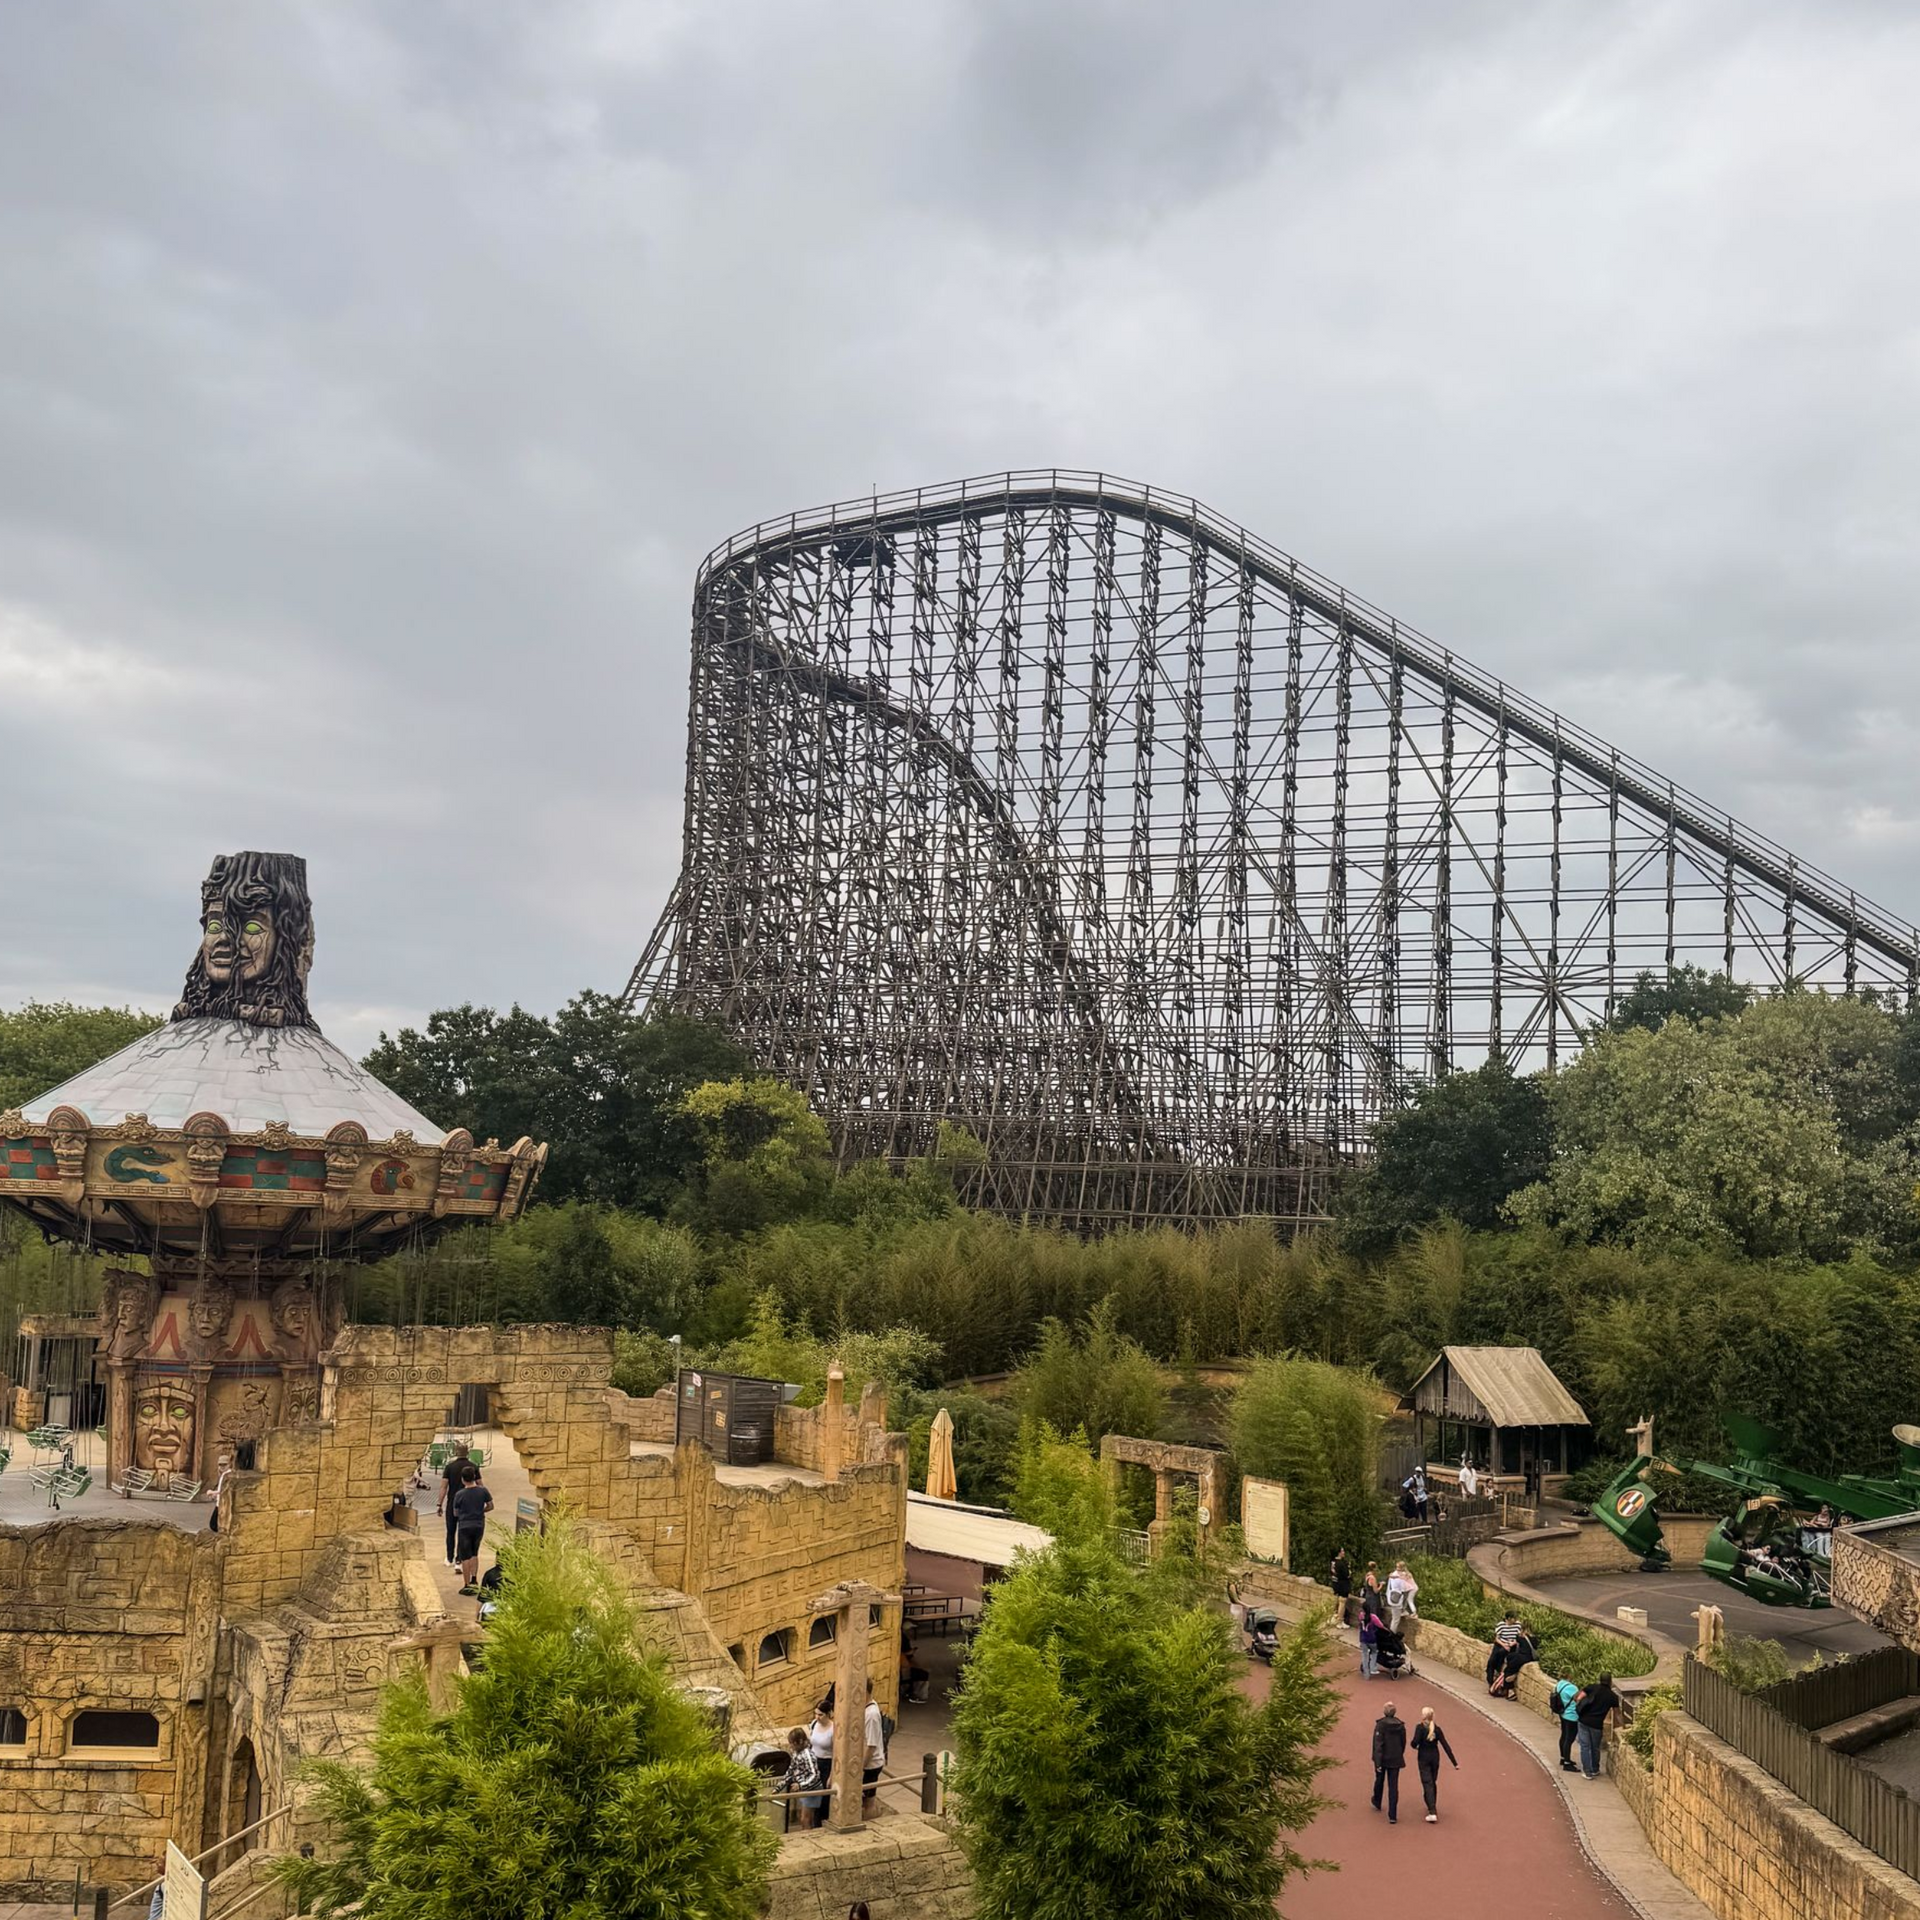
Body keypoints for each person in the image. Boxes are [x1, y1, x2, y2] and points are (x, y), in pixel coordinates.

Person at [450, 1462, 493, 1596]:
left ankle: (467, 1584)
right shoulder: (483, 1490)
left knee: (465, 1556)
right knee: (475, 1552)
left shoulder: (459, 1494)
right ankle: (475, 1579)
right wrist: (480, 1511)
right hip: (479, 1524)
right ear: (474, 1477)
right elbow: (490, 1506)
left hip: (464, 1525)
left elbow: (455, 1513)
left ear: (463, 1479)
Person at [1410, 1706, 1458, 1822]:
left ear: (1423, 1716)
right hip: (1435, 1758)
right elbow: (1445, 1746)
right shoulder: (1437, 1729)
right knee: (1432, 1781)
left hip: (1423, 1758)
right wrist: (1454, 1762)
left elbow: (1414, 1743)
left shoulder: (1420, 1728)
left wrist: (1415, 1745)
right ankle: (1431, 1803)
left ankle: (1432, 1810)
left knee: (1427, 1782)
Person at [1574, 1673, 1619, 1778]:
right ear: (1610, 1681)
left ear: (1600, 1679)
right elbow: (1617, 1714)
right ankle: (1595, 1769)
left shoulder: (1592, 1687)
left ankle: (1587, 1772)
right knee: (1595, 1747)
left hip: (1583, 1721)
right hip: (1597, 1725)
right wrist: (1623, 1726)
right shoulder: (1612, 1696)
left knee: (1585, 1747)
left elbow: (1578, 1698)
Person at [780, 1726, 825, 1830]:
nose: (791, 1746)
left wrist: (801, 1784)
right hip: (805, 1787)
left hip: (811, 1788)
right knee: (804, 1817)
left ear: (799, 1742)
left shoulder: (808, 1755)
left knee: (806, 1818)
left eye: (792, 1743)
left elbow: (814, 1774)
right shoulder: (797, 1753)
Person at [1371, 1702, 1407, 1823]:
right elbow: (1403, 1742)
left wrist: (1377, 1761)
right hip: (1396, 1759)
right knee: (1393, 1786)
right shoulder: (1401, 1726)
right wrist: (1399, 1753)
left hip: (1383, 1758)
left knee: (1379, 1780)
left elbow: (1378, 1745)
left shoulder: (1381, 1725)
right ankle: (1393, 1814)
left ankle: (1377, 1800)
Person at [435, 1446, 471, 1566]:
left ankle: (449, 1558)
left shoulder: (450, 1467)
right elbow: (480, 1485)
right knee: (462, 1531)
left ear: (456, 1452)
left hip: (452, 1502)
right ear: (467, 1452)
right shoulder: (472, 1467)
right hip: (467, 1504)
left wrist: (439, 1503)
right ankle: (459, 1559)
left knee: (450, 1531)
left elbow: (444, 1487)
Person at [807, 1699, 835, 1822]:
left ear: (828, 1714)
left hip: (826, 1764)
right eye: (816, 1714)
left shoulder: (833, 1729)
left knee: (823, 1799)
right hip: (814, 1762)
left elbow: (836, 1753)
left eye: (820, 1715)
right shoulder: (814, 1724)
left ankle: (820, 1822)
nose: (817, 1717)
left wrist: (831, 1775)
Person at [862, 1679, 887, 1813]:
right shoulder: (867, 1709)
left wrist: (862, 1767)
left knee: (868, 1800)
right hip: (868, 1763)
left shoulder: (871, 1715)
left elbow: (871, 1746)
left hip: (871, 1765)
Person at [1552, 1676, 1582, 1771]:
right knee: (1569, 1739)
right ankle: (1567, 1763)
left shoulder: (1560, 1684)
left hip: (1563, 1714)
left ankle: (1563, 1757)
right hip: (1572, 1716)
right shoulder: (1572, 1688)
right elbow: (1578, 1699)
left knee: (1564, 1736)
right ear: (1569, 1675)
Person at [1486, 1610, 1522, 1690]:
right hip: (1501, 1644)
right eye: (1514, 1618)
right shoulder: (1501, 1625)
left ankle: (1499, 1672)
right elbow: (1496, 1638)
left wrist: (1513, 1643)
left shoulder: (1518, 1625)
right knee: (1492, 1661)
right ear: (1508, 1618)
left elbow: (1520, 1637)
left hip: (1512, 1645)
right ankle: (1490, 1680)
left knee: (1505, 1655)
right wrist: (1504, 1645)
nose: (1515, 1620)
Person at [1386, 1562, 1419, 1630]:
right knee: (1406, 1598)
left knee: (1409, 1600)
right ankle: (1404, 1610)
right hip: (1411, 1588)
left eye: (1398, 1567)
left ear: (1401, 1568)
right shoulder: (1404, 1573)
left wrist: (1391, 1575)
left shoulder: (1405, 1574)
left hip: (1413, 1588)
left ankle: (1414, 1613)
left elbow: (1396, 1577)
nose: (1397, 1569)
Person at [1330, 1547, 1353, 1625]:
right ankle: (1340, 1621)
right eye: (1342, 1551)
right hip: (1342, 1585)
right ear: (1339, 1553)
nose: (1344, 1552)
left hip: (1335, 1583)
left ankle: (1334, 1617)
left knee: (1337, 1600)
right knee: (1342, 1602)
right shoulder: (1341, 1563)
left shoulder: (1333, 1562)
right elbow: (1347, 1574)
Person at [1358, 1603, 1380, 1680]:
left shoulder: (1360, 1616)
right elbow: (1380, 1625)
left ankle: (1366, 1673)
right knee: (1374, 1652)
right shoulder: (1373, 1617)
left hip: (1363, 1638)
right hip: (1371, 1639)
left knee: (1364, 1655)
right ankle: (1373, 1668)